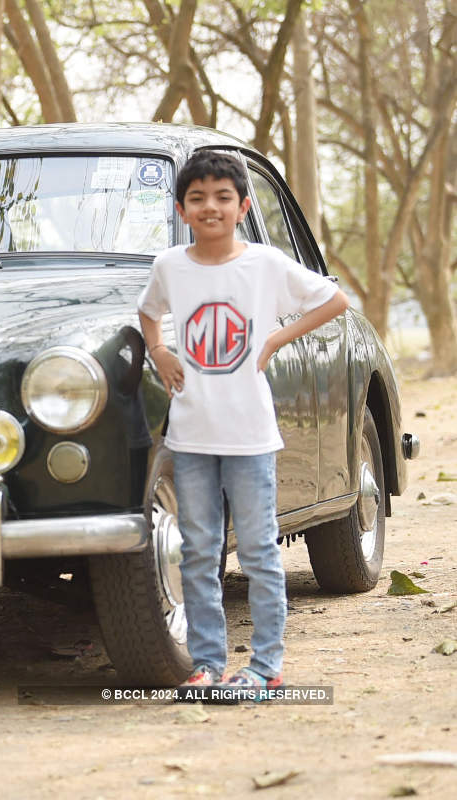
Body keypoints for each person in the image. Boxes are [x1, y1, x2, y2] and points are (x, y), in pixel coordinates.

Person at [137, 150, 348, 697]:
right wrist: (158, 350)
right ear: (182, 208)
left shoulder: (265, 264)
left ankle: (265, 666)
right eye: (198, 197)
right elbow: (147, 312)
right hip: (190, 437)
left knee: (257, 552)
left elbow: (335, 299)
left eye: (223, 197)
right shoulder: (169, 266)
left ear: (243, 206)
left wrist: (276, 338)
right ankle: (207, 664)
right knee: (199, 553)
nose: (211, 206)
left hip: (251, 437)